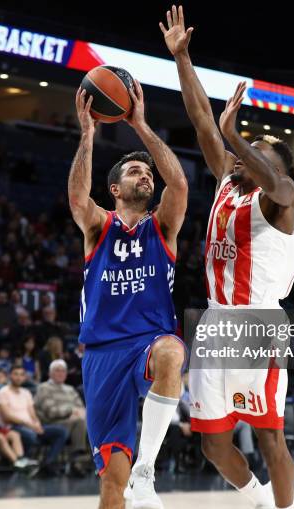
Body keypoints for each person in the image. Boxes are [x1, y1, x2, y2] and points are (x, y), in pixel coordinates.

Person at [163, 6, 294, 509]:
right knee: (213, 443)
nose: (244, 155)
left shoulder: (282, 201)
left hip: (258, 323)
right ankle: (260, 501)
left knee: (269, 438)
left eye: (258, 152)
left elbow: (276, 181)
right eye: (244, 150)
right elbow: (202, 119)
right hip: (217, 321)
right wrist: (183, 58)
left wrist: (238, 135)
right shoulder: (228, 179)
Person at [70, 70, 188, 507]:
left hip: (147, 340)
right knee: (110, 488)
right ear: (115, 188)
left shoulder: (163, 227)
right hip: (101, 354)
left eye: (147, 172)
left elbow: (178, 183)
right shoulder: (100, 225)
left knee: (172, 354)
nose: (146, 176)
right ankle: (129, 477)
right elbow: (78, 200)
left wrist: (139, 124)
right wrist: (88, 134)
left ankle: (147, 470)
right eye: (136, 171)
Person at [0, 365, 68, 476]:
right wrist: (29, 424)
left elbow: (32, 413)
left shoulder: (26, 393)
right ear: (10, 375)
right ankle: (24, 465)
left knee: (61, 431)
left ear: (25, 377)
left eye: (21, 374)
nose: (18, 377)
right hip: (12, 427)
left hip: (30, 426)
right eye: (16, 374)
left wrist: (37, 424)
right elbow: (7, 416)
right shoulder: (2, 392)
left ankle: (47, 463)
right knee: (30, 435)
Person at [35, 359, 89, 476]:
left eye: (63, 371)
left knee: (84, 422)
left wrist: (77, 413)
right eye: (57, 371)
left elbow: (81, 409)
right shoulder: (44, 388)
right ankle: (77, 460)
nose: (61, 373)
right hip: (51, 424)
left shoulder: (70, 390)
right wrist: (70, 411)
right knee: (79, 422)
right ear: (50, 373)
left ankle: (79, 461)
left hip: (72, 423)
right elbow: (51, 412)